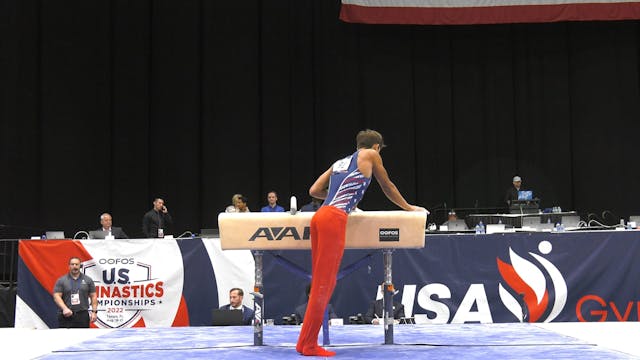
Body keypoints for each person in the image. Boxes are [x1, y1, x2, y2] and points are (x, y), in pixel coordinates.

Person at [296, 129, 426, 357]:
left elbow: (313, 190)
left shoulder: (340, 162)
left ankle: (304, 343)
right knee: (325, 285)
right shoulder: (371, 155)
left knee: (319, 283)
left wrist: (340, 199)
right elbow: (387, 186)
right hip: (333, 220)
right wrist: (410, 208)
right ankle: (308, 346)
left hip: (320, 217)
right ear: (376, 147)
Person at [52, 256, 98, 328]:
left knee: (83, 338)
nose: (74, 266)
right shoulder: (61, 280)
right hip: (66, 315)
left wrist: (94, 312)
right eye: (72, 264)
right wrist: (64, 308)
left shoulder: (88, 280)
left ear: (80, 266)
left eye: (77, 264)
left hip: (82, 316)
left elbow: (93, 296)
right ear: (69, 266)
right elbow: (56, 296)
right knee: (66, 338)